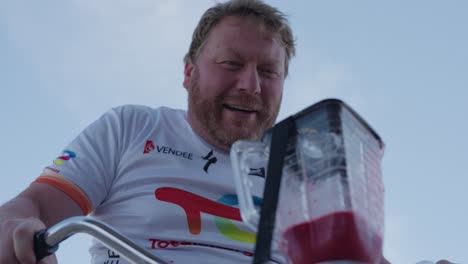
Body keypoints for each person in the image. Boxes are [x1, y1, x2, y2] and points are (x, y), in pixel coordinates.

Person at [0, 0, 404, 263]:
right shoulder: (131, 128)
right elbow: (29, 209)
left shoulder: (304, 172)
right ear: (189, 72)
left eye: (268, 71)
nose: (251, 85)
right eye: (231, 64)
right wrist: (18, 233)